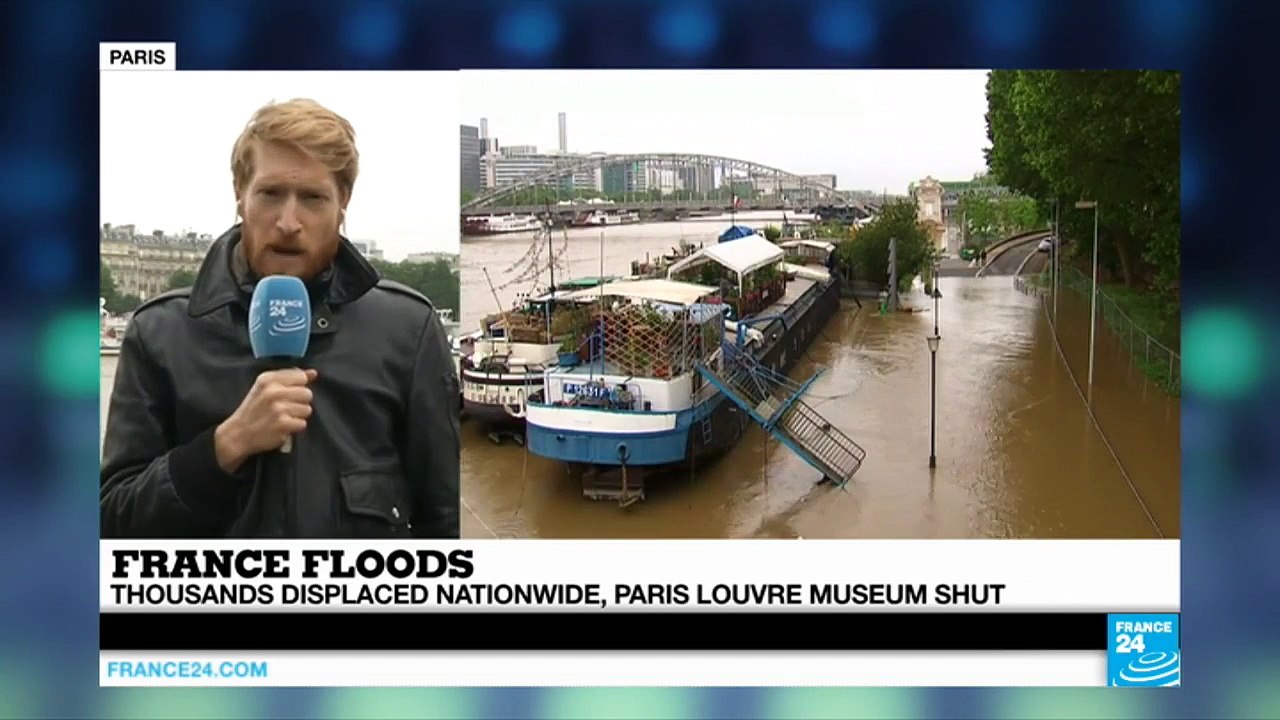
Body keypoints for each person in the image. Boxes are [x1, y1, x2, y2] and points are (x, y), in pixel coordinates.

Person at [100, 98, 459, 538]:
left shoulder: (409, 330)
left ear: (343, 202)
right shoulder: (159, 333)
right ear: (240, 194)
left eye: (312, 198)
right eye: (271, 194)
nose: (289, 222)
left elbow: (443, 521)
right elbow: (112, 523)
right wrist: (224, 447)